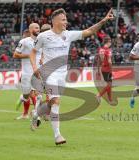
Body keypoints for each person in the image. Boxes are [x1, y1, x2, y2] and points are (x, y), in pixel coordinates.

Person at [30, 8, 114, 145]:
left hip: (62, 75)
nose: (66, 22)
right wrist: (35, 68)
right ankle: (58, 136)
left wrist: (103, 20)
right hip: (48, 73)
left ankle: (36, 113)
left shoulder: (68, 35)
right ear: (55, 21)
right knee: (56, 101)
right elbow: (33, 53)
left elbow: (89, 31)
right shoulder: (44, 36)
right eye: (63, 19)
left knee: (52, 104)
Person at [13, 23, 40, 119]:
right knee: (26, 95)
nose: (38, 29)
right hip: (26, 73)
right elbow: (15, 55)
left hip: (37, 72)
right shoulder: (24, 41)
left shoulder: (42, 41)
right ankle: (25, 113)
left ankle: (37, 114)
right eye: (36, 28)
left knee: (37, 94)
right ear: (31, 29)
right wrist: (28, 55)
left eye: (39, 28)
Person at [96, 36, 114, 104]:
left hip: (102, 68)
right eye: (110, 42)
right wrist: (111, 71)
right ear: (108, 42)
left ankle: (110, 100)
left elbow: (98, 60)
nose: (111, 43)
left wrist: (98, 70)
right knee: (109, 85)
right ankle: (99, 95)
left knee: (109, 84)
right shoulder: (108, 50)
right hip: (107, 69)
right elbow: (109, 61)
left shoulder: (100, 49)